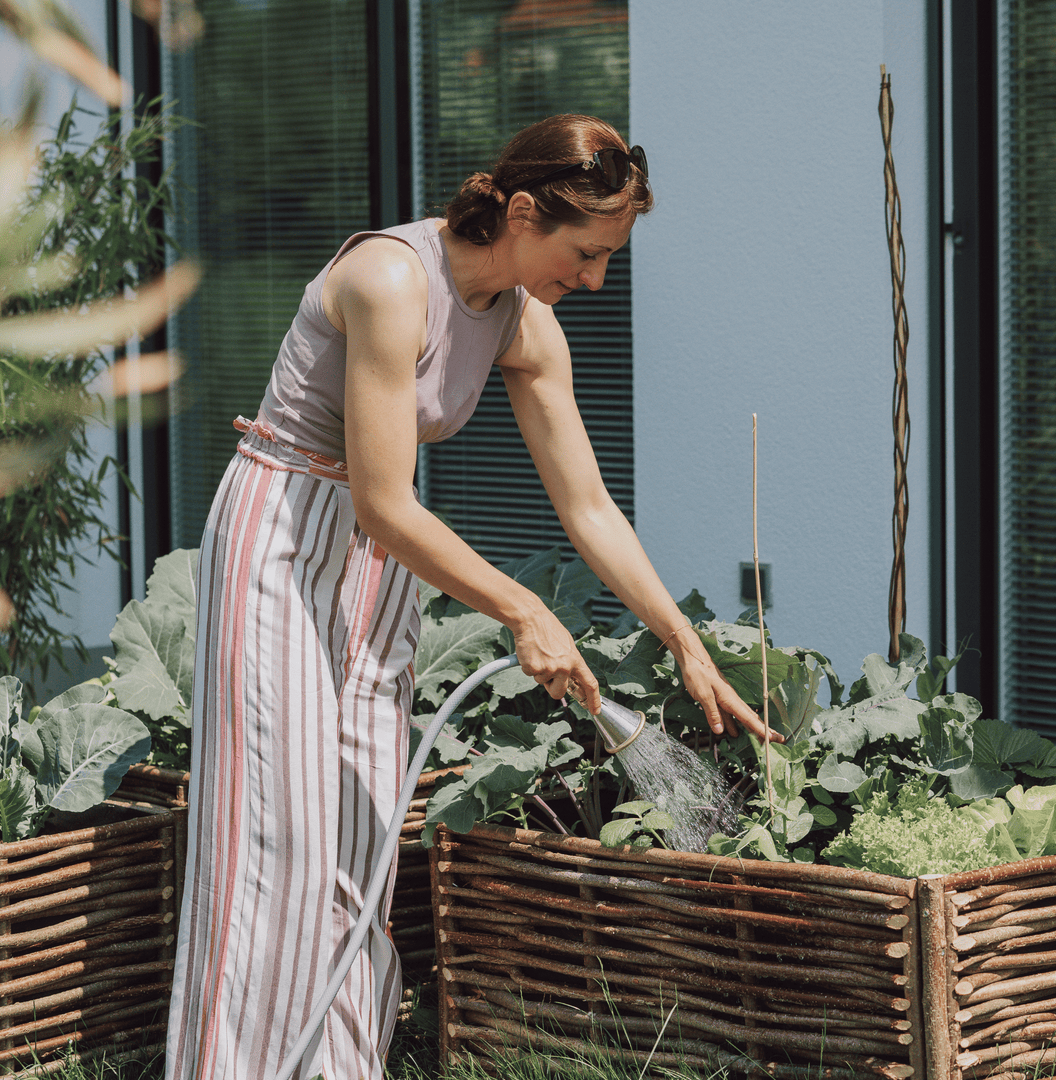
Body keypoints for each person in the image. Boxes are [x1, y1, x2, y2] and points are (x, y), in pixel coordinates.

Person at [164, 113, 780, 1080]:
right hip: (282, 539)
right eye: (587, 253)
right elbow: (382, 501)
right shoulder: (388, 280)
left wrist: (683, 641)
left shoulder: (525, 325)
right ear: (523, 213)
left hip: (379, 566)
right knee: (274, 840)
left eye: (608, 259)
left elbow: (588, 506)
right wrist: (523, 610)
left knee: (362, 840)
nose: (595, 280)